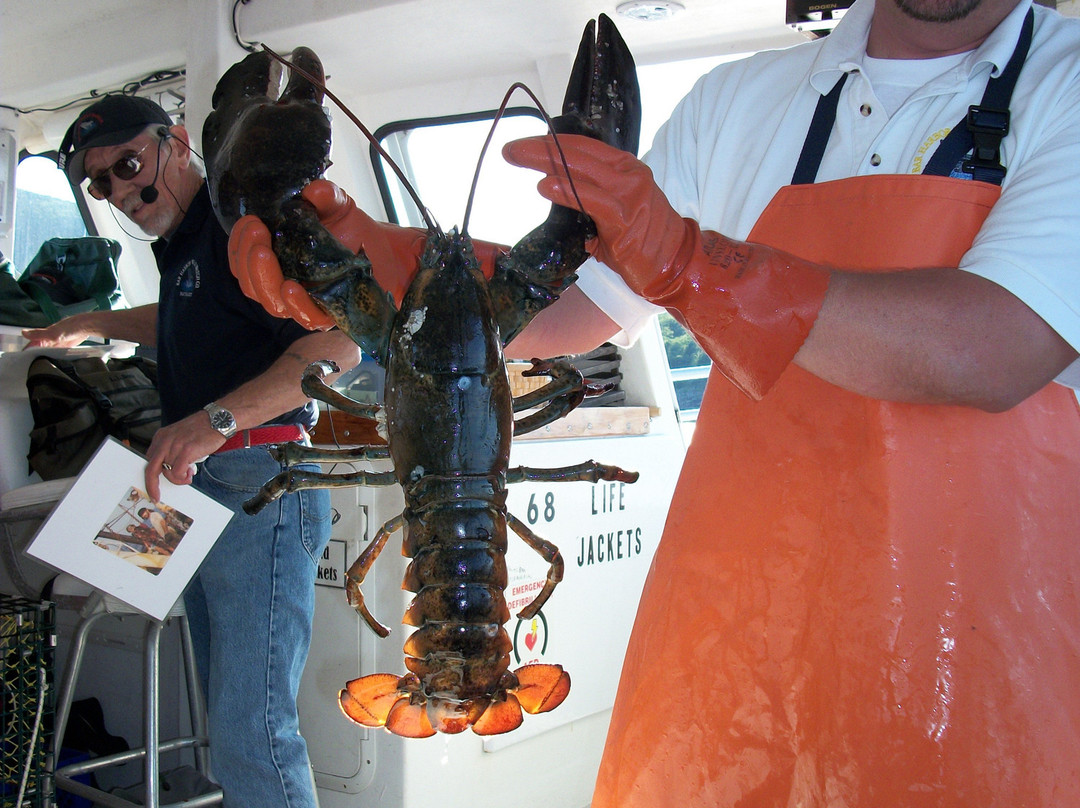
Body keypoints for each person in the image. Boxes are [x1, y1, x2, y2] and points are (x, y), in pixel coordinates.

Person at [231, 0, 1080, 803]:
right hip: (747, 614)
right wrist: (373, 251)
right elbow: (577, 307)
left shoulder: (1067, 83)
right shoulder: (738, 102)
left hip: (983, 632)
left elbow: (996, 346)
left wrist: (689, 262)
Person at [23, 95, 360, 808]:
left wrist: (213, 418)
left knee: (253, 732)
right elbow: (184, 315)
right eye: (98, 183)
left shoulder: (242, 221)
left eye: (128, 165)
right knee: (227, 722)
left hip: (260, 485)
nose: (119, 190)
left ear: (177, 142)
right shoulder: (183, 248)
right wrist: (88, 323)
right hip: (202, 486)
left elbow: (340, 340)